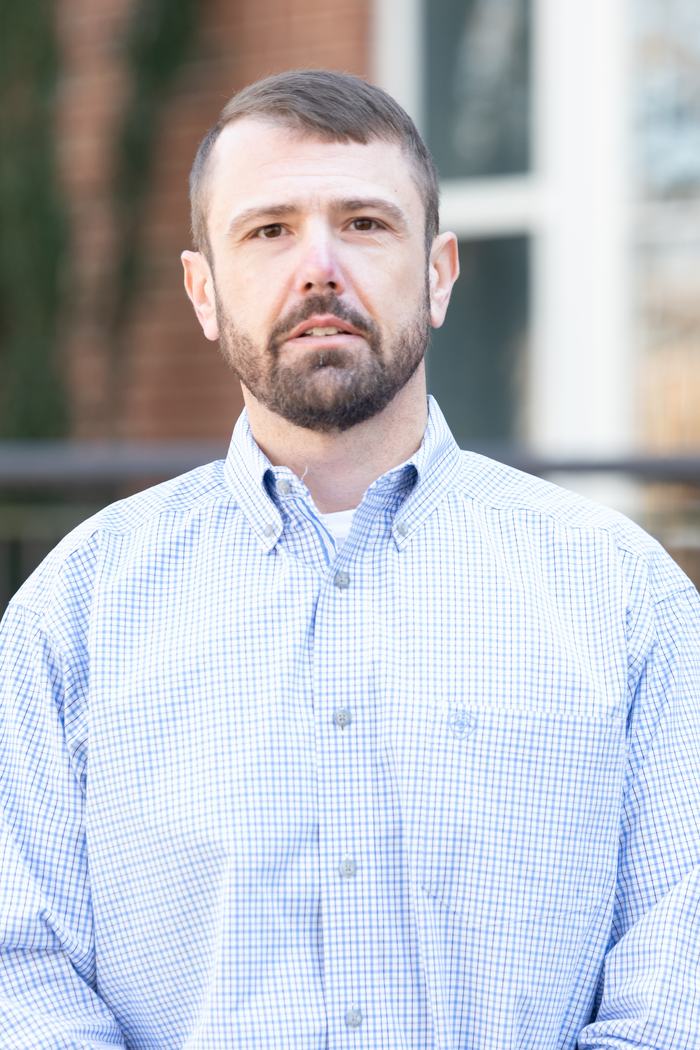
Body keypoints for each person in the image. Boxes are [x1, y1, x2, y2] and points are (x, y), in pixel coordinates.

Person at [0, 69, 698, 1050]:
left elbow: (678, 976)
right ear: (203, 291)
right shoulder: (71, 615)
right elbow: (19, 971)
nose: (319, 266)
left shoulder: (625, 602)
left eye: (365, 224)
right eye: (268, 230)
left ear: (439, 273)